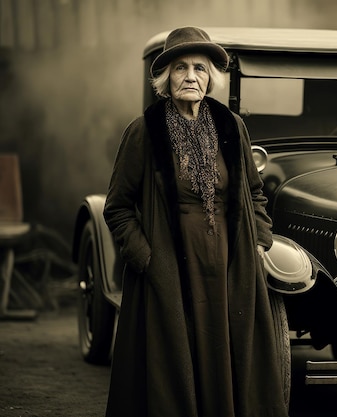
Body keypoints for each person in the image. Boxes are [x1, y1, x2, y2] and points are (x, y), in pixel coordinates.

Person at [103, 26, 289, 417]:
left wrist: (258, 243)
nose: (191, 76)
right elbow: (117, 206)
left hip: (228, 264)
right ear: (165, 78)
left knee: (229, 351)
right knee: (176, 362)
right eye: (180, 68)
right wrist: (147, 259)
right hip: (169, 264)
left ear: (211, 78)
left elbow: (254, 193)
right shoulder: (144, 132)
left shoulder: (231, 127)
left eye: (200, 69)